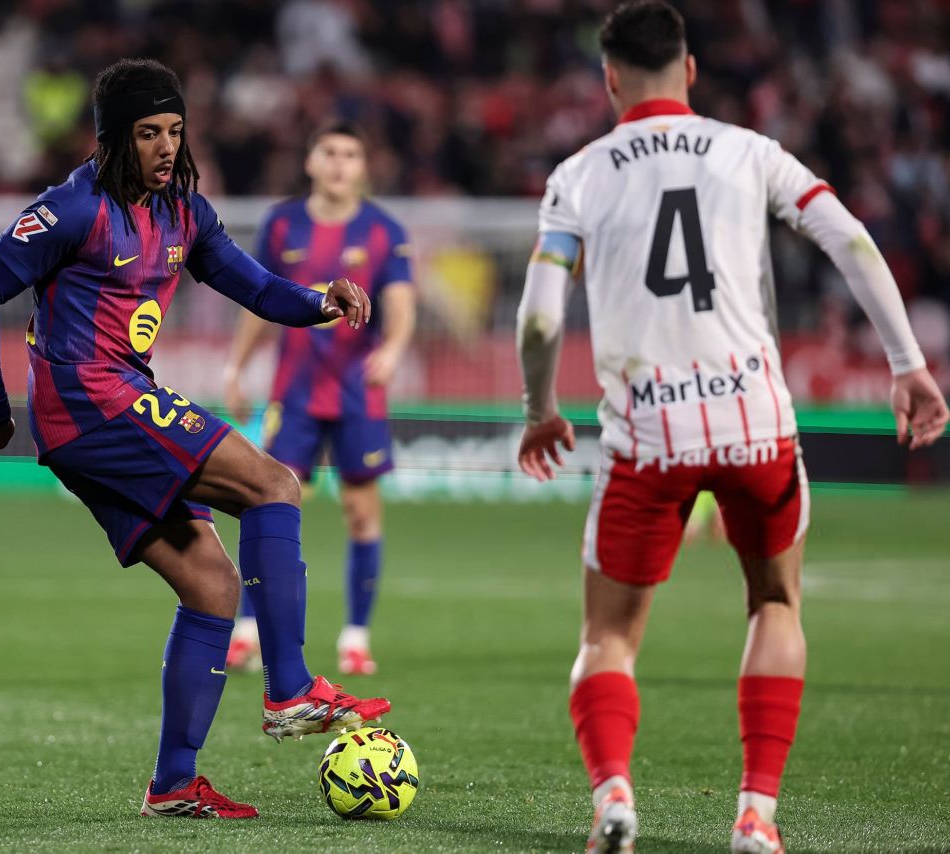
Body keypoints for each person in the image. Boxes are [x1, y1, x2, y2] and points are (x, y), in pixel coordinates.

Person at [513, 3, 949, 852]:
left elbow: (537, 318)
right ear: (690, 70)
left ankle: (613, 797)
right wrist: (907, 363)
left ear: (609, 78)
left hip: (648, 436)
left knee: (609, 636)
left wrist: (539, 410)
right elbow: (852, 240)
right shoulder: (751, 151)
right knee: (776, 602)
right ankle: (756, 815)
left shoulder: (579, 175)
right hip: (756, 425)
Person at [0, 58, 391, 821]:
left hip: (108, 406)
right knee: (273, 485)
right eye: (148, 133)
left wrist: (320, 301)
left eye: (175, 131)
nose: (165, 147)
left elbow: (255, 287)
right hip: (90, 399)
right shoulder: (72, 208)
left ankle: (173, 785)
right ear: (112, 138)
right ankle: (290, 689)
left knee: (212, 587)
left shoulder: (184, 211)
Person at [223, 120, 416, 676]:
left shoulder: (383, 230)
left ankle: (355, 637)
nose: (338, 163)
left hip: (358, 393)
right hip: (296, 392)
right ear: (310, 161)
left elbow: (401, 303)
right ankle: (247, 631)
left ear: (363, 167)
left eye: (350, 154)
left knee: (361, 512)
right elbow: (258, 299)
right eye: (328, 152)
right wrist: (236, 367)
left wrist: (394, 349)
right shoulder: (282, 223)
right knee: (272, 504)